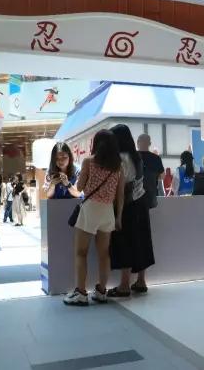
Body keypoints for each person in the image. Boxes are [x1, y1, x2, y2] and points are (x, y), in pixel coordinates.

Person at [64, 130, 125, 306]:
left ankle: (81, 293)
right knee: (104, 254)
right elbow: (120, 195)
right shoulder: (118, 166)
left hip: (90, 210)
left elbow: (79, 187)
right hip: (108, 212)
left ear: (95, 144)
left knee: (81, 252)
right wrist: (119, 217)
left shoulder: (89, 162)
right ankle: (101, 291)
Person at [107, 124, 154, 297]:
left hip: (126, 205)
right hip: (141, 203)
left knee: (124, 242)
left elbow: (120, 189)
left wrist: (117, 215)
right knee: (142, 241)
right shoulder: (137, 157)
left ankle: (124, 285)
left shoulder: (119, 159)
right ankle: (141, 281)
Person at [137, 134, 165, 201]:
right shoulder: (156, 158)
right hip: (152, 195)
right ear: (150, 144)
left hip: (136, 195)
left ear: (137, 142)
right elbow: (162, 176)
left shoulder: (132, 157)